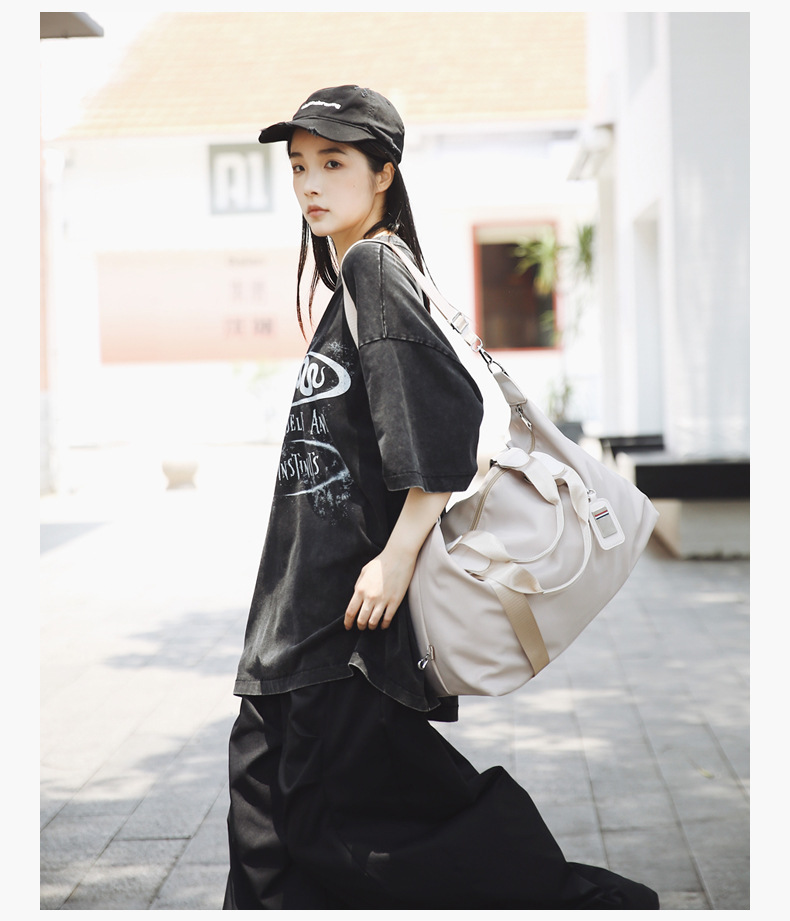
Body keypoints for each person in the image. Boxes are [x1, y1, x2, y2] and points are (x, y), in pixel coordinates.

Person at [223, 85, 659, 910]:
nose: (310, 183)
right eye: (300, 166)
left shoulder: (373, 267)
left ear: (384, 172)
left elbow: (444, 425)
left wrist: (394, 561)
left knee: (340, 840)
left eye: (334, 163)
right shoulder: (363, 276)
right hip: (298, 623)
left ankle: (588, 903)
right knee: (287, 840)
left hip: (339, 628)